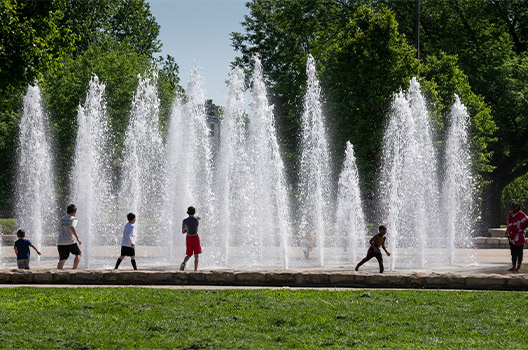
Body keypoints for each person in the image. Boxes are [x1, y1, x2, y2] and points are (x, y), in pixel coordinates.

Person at [57, 204, 82, 269]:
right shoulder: (73, 219)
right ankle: (74, 269)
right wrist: (78, 238)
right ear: (75, 212)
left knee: (62, 259)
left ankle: (58, 272)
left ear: (67, 211)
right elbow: (72, 227)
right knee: (78, 254)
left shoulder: (62, 219)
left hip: (60, 242)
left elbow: (59, 229)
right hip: (70, 241)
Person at [505, 201, 528, 272]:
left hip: (519, 236)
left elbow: (527, 221)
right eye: (512, 206)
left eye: (515, 206)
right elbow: (509, 223)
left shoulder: (521, 214)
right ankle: (513, 266)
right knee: (513, 252)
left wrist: (523, 229)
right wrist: (507, 230)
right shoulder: (510, 214)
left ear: (518, 207)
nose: (513, 208)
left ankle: (518, 267)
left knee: (519, 252)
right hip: (511, 235)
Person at [180, 206, 202, 271]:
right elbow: (200, 217)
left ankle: (184, 262)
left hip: (189, 237)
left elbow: (183, 232)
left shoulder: (185, 221)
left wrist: (187, 230)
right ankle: (195, 269)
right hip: (195, 237)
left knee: (189, 254)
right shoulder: (196, 219)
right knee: (196, 255)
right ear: (195, 212)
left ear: (187, 212)